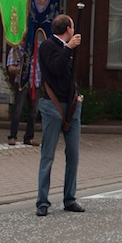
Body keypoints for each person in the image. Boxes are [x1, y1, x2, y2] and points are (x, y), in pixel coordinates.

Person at [36, 14, 84, 217]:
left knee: (73, 154)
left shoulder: (68, 49)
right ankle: (42, 201)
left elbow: (69, 76)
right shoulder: (48, 46)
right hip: (52, 105)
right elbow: (56, 69)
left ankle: (70, 198)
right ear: (68, 29)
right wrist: (69, 49)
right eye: (72, 26)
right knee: (48, 155)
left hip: (71, 105)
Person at [7, 44, 40, 147]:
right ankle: (12, 136)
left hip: (35, 83)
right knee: (17, 110)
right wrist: (20, 69)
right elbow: (10, 68)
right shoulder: (16, 50)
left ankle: (29, 137)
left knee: (33, 111)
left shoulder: (38, 48)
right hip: (22, 84)